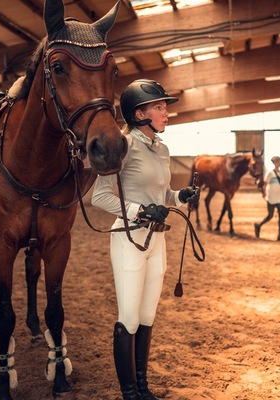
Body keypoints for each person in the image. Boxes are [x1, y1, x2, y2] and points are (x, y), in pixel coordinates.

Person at [91, 79, 199, 400]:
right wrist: (139, 210)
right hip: (128, 239)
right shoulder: (122, 146)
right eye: (160, 107)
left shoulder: (162, 149)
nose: (167, 113)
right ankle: (129, 392)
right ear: (139, 114)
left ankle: (142, 386)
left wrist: (180, 196)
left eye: (165, 107)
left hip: (157, 240)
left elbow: (161, 194)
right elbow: (100, 196)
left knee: (148, 315)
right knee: (129, 316)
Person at [254, 155, 280, 241]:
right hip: (271, 197)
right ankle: (258, 225)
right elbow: (265, 185)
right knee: (270, 215)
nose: (278, 163)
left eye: (278, 161)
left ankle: (279, 234)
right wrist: (264, 194)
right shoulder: (270, 174)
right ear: (274, 163)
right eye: (276, 161)